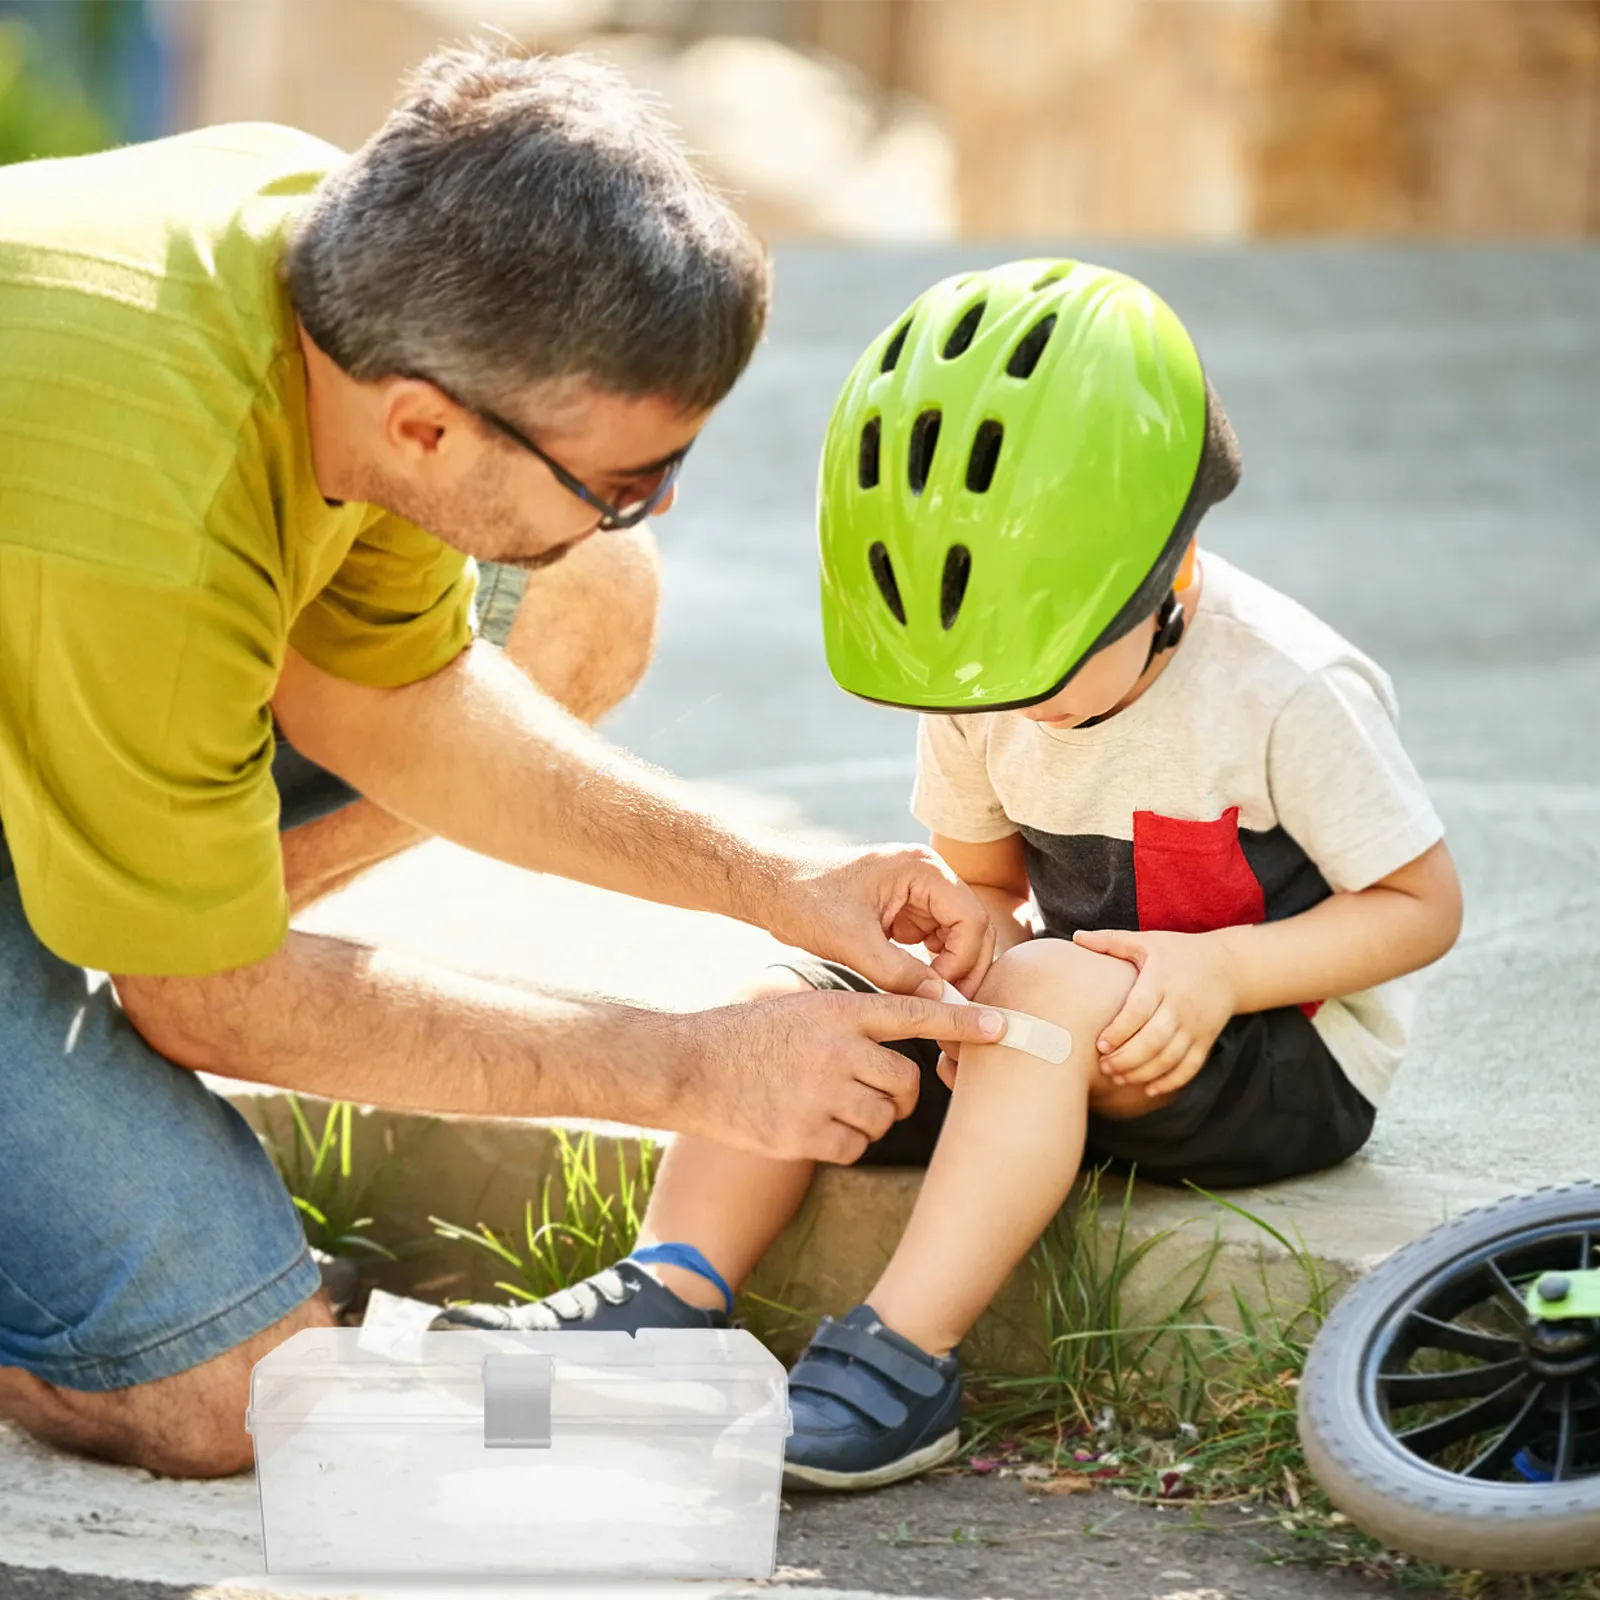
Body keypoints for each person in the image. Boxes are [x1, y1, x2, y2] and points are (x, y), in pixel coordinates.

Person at [0, 44, 1009, 1480]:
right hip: (85, 588)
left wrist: (778, 889)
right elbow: (203, 1011)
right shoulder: (152, 522)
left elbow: (395, 698)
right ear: (425, 420)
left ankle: (155, 896)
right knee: (237, 1394)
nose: (642, 507)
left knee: (584, 597)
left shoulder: (342, 277)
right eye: (620, 481)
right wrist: (688, 1070)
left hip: (58, 644)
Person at [437, 258, 1464, 1494]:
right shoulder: (981, 674)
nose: (1002, 707)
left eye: (1037, 674)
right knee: (804, 999)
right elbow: (996, 895)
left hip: (1272, 1052)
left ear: (1164, 575)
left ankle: (902, 1359)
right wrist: (957, 929)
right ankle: (672, 1289)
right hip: (1061, 1026)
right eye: (977, 685)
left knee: (1039, 992)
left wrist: (1221, 969)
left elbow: (1422, 908)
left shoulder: (1287, 689)